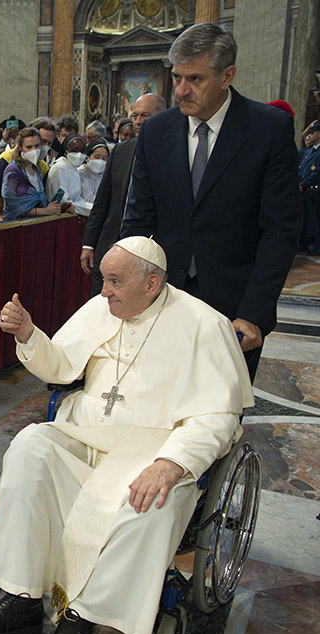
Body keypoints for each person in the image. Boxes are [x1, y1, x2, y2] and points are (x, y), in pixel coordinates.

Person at [0, 237, 252, 634]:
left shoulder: (204, 324)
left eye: (114, 281)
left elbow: (218, 418)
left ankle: (84, 618)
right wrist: (28, 334)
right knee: (31, 447)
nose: (103, 292)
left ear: (151, 284)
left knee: (151, 503)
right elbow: (59, 365)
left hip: (156, 451)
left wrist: (172, 463)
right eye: (103, 280)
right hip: (88, 436)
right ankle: (19, 603)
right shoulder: (103, 308)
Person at [121, 22, 301, 380]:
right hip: (162, 297)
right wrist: (121, 287)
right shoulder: (157, 131)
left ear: (227, 75)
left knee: (219, 416)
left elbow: (279, 231)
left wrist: (254, 312)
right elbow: (139, 218)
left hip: (234, 305)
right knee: (155, 404)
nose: (182, 91)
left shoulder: (269, 129)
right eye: (177, 78)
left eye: (195, 80)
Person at [81, 94, 167, 296]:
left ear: (163, 117)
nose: (137, 121)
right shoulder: (121, 151)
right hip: (110, 244)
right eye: (135, 115)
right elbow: (103, 201)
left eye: (145, 115)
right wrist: (89, 243)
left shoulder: (169, 153)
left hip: (150, 250)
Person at [1, 127, 69, 221]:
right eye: (29, 147)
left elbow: (40, 200)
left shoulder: (37, 168)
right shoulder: (13, 172)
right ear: (20, 147)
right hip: (17, 226)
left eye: (37, 146)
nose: (34, 150)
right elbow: (15, 209)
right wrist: (45, 211)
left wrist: (58, 207)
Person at [45, 134, 89, 216]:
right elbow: (64, 202)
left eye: (82, 151)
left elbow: (78, 198)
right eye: (75, 150)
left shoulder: (73, 168)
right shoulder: (60, 168)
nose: (79, 154)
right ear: (66, 151)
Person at [297, 120, 320, 253]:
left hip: (314, 190)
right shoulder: (308, 151)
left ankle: (317, 245)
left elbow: (317, 172)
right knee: (304, 219)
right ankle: (304, 243)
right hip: (304, 190)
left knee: (315, 219)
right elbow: (302, 169)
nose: (310, 135)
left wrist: (304, 184)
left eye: (314, 132)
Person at [77, 139, 109, 207]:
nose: (100, 161)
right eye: (97, 157)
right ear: (87, 158)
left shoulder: (106, 174)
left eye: (104, 158)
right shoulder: (81, 172)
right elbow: (88, 198)